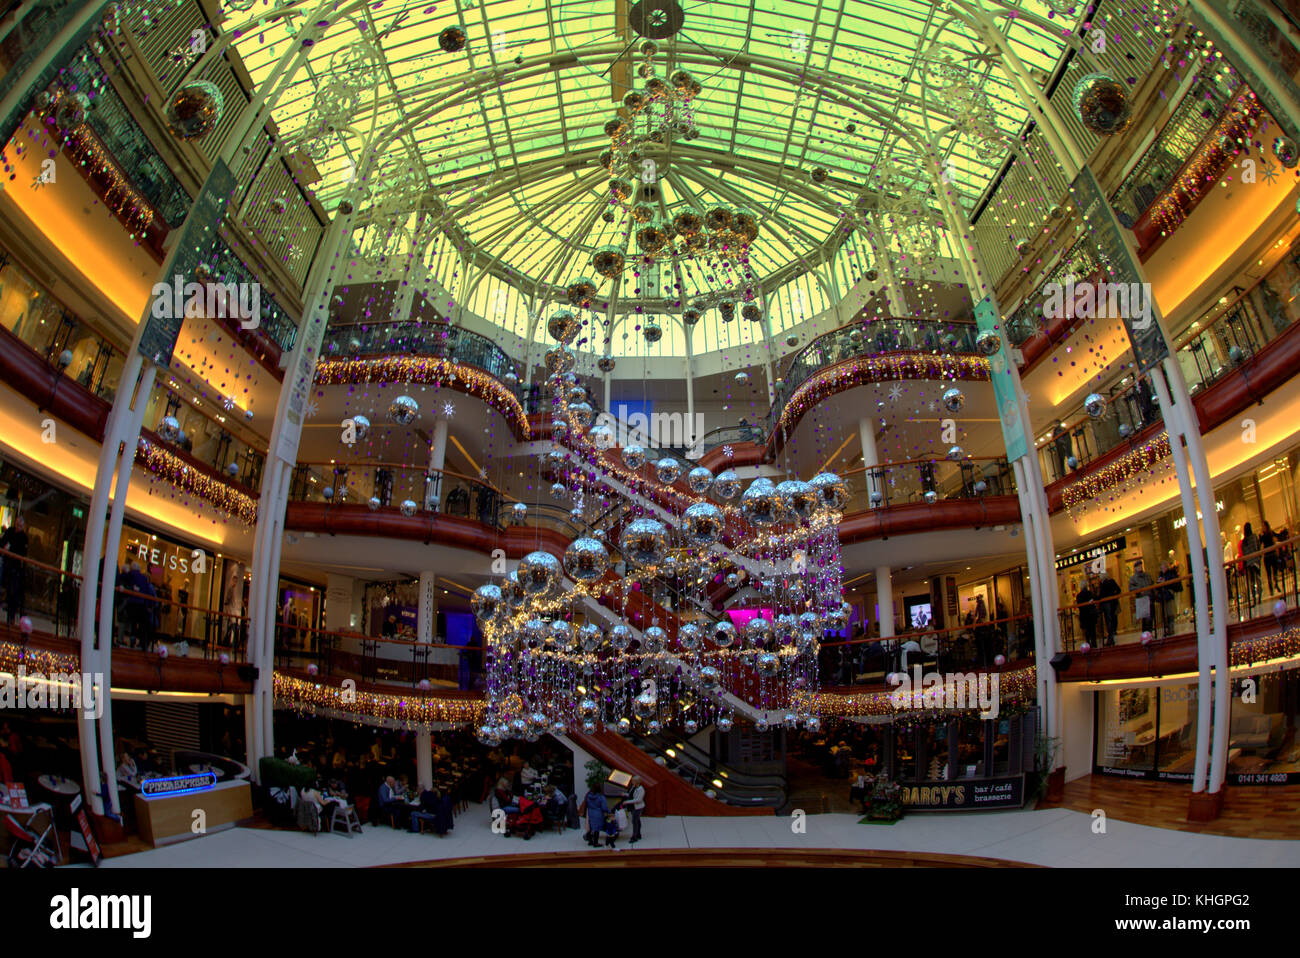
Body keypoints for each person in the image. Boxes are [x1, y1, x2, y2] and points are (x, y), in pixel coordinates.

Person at [0, 516, 29, 626]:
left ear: (23, 527)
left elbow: (22, 553)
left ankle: (11, 618)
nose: (18, 527)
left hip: (16, 568)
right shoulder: (10, 531)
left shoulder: (24, 537)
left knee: (13, 593)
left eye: (20, 526)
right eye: (17, 525)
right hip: (6, 564)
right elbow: (2, 543)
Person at [1155, 561, 1182, 638]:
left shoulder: (1170, 574)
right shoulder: (1160, 575)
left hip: (1169, 595)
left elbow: (1173, 583)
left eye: (1164, 567)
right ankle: (1166, 628)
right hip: (1162, 596)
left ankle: (1171, 628)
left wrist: (1165, 582)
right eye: (1161, 568)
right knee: (1164, 613)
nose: (1162, 569)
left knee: (1170, 611)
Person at [581, 783, 611, 848]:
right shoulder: (601, 797)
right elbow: (604, 807)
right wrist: (609, 811)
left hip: (590, 813)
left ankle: (590, 841)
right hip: (598, 814)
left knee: (591, 827)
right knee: (597, 829)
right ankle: (595, 843)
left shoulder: (588, 795)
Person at [1129, 559, 1155, 634]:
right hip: (1142, 600)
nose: (1140, 567)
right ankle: (1145, 634)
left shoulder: (1147, 575)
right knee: (1145, 619)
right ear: (1135, 568)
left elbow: (1151, 584)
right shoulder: (1133, 578)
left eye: (1141, 565)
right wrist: (1139, 590)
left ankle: (1150, 633)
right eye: (1138, 566)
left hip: (1149, 598)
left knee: (1150, 617)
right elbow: (1131, 589)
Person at [1097, 570, 1121, 646]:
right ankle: (1111, 637)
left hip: (1108, 604)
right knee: (1112, 620)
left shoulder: (1104, 583)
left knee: (1109, 621)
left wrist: (1095, 598)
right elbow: (1118, 590)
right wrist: (1114, 596)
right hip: (1112, 603)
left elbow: (1101, 595)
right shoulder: (1110, 581)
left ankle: (1111, 638)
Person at [1242, 522, 1263, 609]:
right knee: (1258, 579)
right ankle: (1259, 597)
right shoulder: (1254, 537)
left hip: (1249, 563)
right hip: (1256, 561)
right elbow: (1257, 547)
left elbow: (1244, 552)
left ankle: (1254, 598)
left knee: (1252, 582)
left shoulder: (1244, 541)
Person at [625, 776, 645, 845]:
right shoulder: (633, 787)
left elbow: (638, 800)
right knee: (637, 820)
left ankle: (634, 836)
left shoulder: (641, 789)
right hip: (633, 807)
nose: (631, 782)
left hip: (637, 807)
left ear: (637, 782)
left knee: (635, 821)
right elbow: (631, 795)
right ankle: (638, 834)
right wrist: (625, 794)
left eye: (633, 781)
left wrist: (627, 802)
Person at [1261, 520, 1280, 594]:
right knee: (1271, 573)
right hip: (1270, 555)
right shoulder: (1270, 533)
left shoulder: (1267, 534)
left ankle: (1274, 586)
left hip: (1270, 555)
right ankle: (1273, 587)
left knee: (1272, 572)